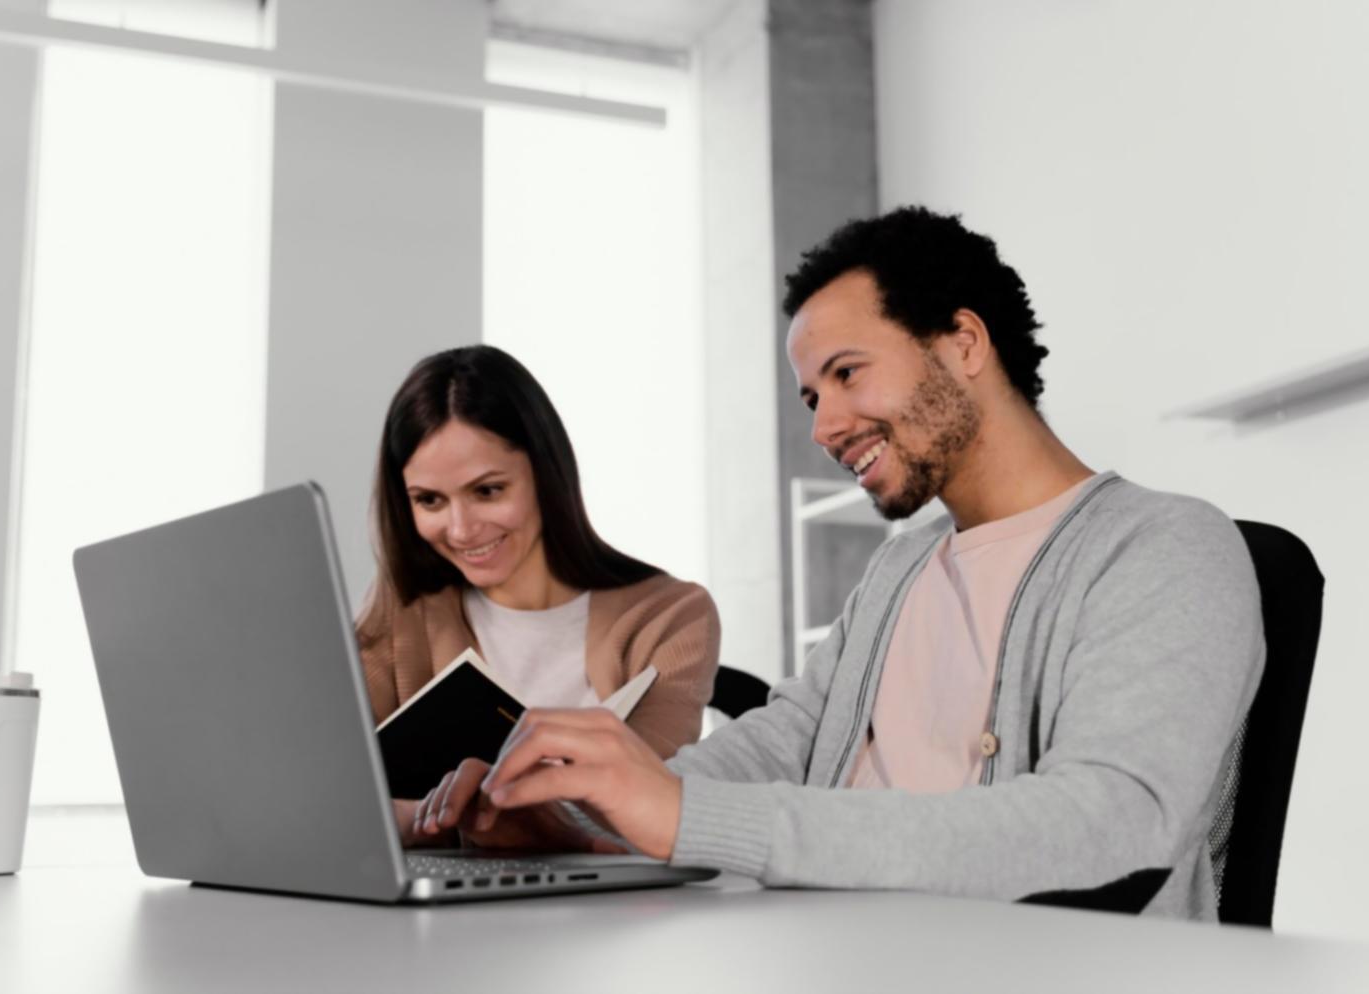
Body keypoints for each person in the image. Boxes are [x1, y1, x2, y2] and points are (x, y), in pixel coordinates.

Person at [413, 207, 1265, 920]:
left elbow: (1111, 821)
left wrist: (684, 816)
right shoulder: (900, 572)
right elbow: (785, 742)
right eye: (813, 397)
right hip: (819, 947)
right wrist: (580, 815)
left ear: (964, 342)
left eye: (847, 373)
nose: (824, 427)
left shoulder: (1163, 546)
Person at [355, 345, 720, 838]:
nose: (461, 530)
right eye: (430, 501)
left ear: (545, 473)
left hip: (612, 906)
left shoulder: (671, 615)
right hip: (438, 906)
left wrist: (439, 815)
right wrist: (453, 819)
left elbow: (653, 802)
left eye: (488, 491)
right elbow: (328, 795)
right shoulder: (403, 611)